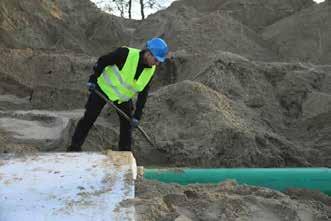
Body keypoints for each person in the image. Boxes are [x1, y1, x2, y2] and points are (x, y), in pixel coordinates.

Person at [67, 38, 169, 152]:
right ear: (148, 53)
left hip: (122, 99)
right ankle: (74, 148)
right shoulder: (125, 54)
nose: (157, 63)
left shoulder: (151, 69)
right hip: (103, 89)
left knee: (127, 125)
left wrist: (137, 115)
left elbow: (144, 92)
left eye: (159, 61)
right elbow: (103, 61)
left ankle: (125, 153)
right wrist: (93, 79)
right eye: (156, 59)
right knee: (89, 118)